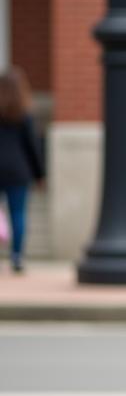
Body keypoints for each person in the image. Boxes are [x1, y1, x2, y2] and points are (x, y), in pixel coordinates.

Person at [0, 66, 45, 273]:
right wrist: (39, 174)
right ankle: (17, 256)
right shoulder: (24, 115)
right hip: (18, 170)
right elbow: (32, 147)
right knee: (17, 213)